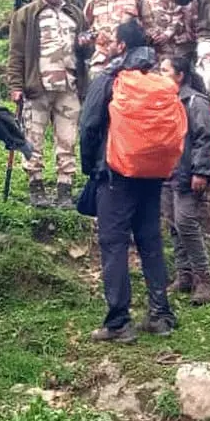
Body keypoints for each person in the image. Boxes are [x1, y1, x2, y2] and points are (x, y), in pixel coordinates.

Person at [79, 19, 176, 343]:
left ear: (121, 46)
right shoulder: (158, 78)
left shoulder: (110, 78)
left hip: (116, 173)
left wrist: (90, 167)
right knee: (150, 241)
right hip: (152, 173)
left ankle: (119, 322)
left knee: (114, 244)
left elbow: (90, 126)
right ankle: (160, 315)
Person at [8, 0, 90, 209]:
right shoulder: (26, 15)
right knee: (33, 137)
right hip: (38, 87)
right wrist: (15, 85)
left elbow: (86, 51)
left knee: (68, 138)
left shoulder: (75, 14)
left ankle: (64, 188)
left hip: (69, 87)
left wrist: (86, 44)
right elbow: (16, 53)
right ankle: (36, 186)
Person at [159, 54, 210, 305]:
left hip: (186, 174)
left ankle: (205, 279)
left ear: (179, 76)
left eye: (164, 71)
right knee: (173, 224)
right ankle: (184, 275)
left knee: (186, 224)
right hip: (165, 173)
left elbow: (205, 138)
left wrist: (200, 171)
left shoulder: (195, 101)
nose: (159, 75)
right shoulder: (164, 101)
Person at [83, 0, 140, 80]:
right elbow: (85, 25)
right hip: (101, 58)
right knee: (97, 95)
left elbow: (145, 25)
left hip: (127, 59)